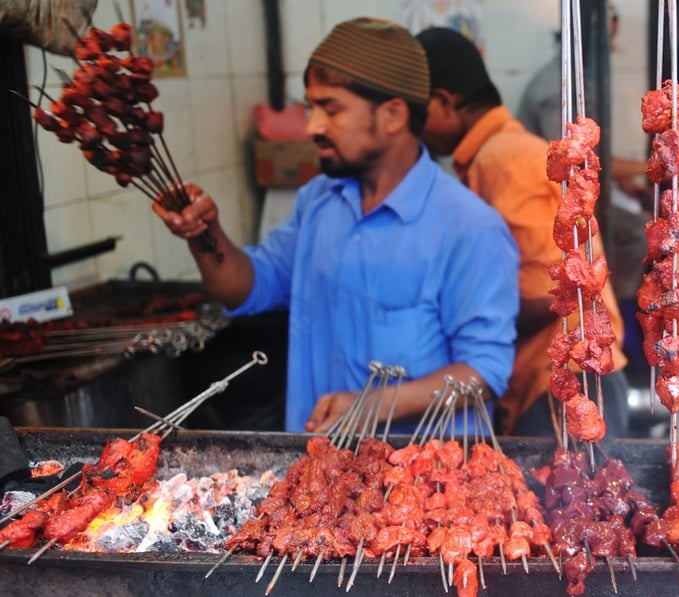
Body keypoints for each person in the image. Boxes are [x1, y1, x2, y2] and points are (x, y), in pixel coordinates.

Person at [152, 18, 520, 434]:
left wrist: (374, 405)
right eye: (311, 107)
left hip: (424, 485)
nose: (312, 126)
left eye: (332, 108)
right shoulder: (319, 202)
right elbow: (246, 287)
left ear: (394, 114)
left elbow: (483, 374)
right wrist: (204, 233)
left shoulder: (469, 227)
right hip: (320, 475)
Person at [415, 26, 632, 438]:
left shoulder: (504, 160)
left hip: (568, 388)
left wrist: (445, 313)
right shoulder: (497, 155)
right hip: (559, 384)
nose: (413, 129)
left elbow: (546, 296)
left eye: (416, 113)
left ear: (443, 102)